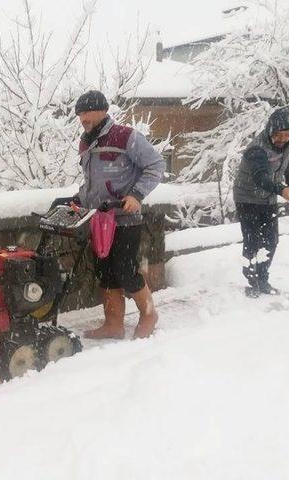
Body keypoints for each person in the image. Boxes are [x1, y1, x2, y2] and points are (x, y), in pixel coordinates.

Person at [73, 90, 166, 339]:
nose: (82, 118)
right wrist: (78, 199)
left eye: (86, 112)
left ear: (102, 110)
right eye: (79, 114)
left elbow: (156, 165)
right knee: (105, 271)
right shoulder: (86, 142)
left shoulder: (126, 136)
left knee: (126, 270)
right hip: (100, 220)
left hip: (124, 218)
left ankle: (148, 314)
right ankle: (113, 324)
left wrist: (136, 195)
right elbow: (91, 181)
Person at [233, 107, 289, 297]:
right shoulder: (257, 148)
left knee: (271, 240)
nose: (283, 139)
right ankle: (252, 281)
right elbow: (260, 177)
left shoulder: (288, 146)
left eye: (287, 135)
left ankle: (263, 278)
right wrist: (281, 190)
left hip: (267, 197)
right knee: (253, 240)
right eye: (279, 134)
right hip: (247, 197)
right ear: (271, 131)